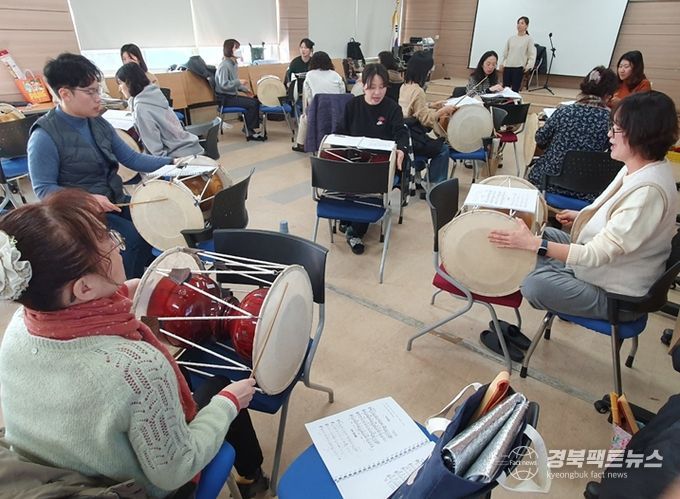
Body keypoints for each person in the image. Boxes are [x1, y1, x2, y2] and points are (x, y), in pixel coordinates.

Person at [0, 190, 268, 498]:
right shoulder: (137, 368)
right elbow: (175, 469)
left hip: (50, 470)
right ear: (84, 288)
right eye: (109, 241)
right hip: (131, 489)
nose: (117, 246)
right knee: (222, 386)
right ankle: (252, 479)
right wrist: (228, 403)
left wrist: (116, 294)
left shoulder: (20, 324)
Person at [489, 91, 679, 320]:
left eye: (617, 129)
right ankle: (552, 270)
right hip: (607, 267)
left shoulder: (649, 192)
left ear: (641, 134)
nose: (609, 134)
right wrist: (582, 215)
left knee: (534, 284)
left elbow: (596, 254)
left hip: (616, 296)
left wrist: (535, 245)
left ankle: (550, 275)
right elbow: (623, 224)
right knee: (537, 232)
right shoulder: (640, 166)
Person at [27, 53, 173, 279]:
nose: (99, 99)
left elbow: (132, 159)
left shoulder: (98, 122)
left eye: (98, 91)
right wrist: (88, 199)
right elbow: (43, 189)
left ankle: (138, 278)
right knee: (131, 238)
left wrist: (174, 162)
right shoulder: (44, 136)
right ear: (65, 94)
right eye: (90, 92)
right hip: (77, 213)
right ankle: (123, 288)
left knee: (154, 222)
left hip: (112, 200)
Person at [335, 63, 409, 255]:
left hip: (379, 165)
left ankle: (354, 231)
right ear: (362, 84)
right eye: (372, 87)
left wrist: (401, 149)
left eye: (382, 87)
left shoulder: (392, 108)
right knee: (342, 175)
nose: (377, 92)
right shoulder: (353, 105)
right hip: (354, 161)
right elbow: (339, 133)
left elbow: (401, 133)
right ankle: (348, 217)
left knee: (367, 185)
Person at [527, 66, 619, 201]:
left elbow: (540, 139)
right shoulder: (611, 121)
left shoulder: (564, 111)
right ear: (608, 95)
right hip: (588, 192)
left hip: (549, 184)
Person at [116, 62, 203, 158]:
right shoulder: (153, 94)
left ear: (129, 82)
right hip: (191, 147)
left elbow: (156, 152)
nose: (120, 89)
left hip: (180, 156)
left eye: (120, 83)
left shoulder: (141, 107)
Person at [399, 51, 456, 185]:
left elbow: (412, 109)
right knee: (443, 149)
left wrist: (431, 105)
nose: (430, 72)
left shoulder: (405, 86)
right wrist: (442, 111)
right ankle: (433, 184)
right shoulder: (418, 91)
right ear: (423, 71)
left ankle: (421, 179)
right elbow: (426, 119)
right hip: (414, 139)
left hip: (405, 135)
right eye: (429, 69)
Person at [292, 51, 345, 152]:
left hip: (318, 111)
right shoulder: (336, 75)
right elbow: (342, 93)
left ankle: (300, 144)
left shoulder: (310, 75)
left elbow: (309, 97)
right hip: (337, 112)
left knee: (304, 118)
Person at [215, 39, 265, 141]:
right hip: (225, 99)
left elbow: (235, 84)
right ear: (229, 50)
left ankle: (249, 126)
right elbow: (224, 85)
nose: (239, 50)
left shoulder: (233, 64)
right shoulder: (224, 65)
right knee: (253, 104)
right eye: (236, 48)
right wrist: (239, 82)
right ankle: (249, 130)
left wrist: (246, 91)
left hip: (231, 96)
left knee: (255, 100)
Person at [500, 16, 536, 92]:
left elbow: (532, 55)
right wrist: (502, 63)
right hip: (508, 67)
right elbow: (505, 53)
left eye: (522, 23)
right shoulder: (511, 38)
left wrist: (528, 66)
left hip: (518, 68)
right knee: (505, 90)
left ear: (526, 26)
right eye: (518, 23)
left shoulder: (529, 39)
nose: (519, 25)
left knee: (515, 91)